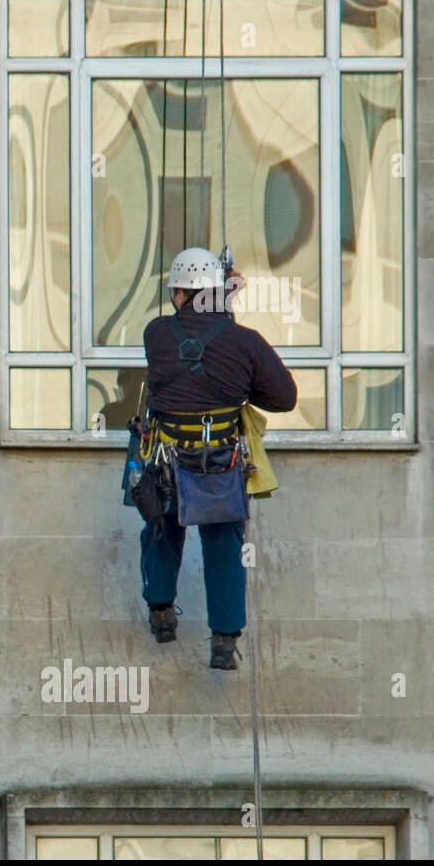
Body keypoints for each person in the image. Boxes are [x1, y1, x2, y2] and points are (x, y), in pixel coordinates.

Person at [139, 248, 296, 670]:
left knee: (161, 530)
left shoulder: (155, 333)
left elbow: (181, 366)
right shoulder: (245, 341)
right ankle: (224, 641)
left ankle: (160, 612)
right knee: (224, 544)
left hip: (165, 462)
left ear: (178, 292)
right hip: (219, 463)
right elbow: (284, 397)